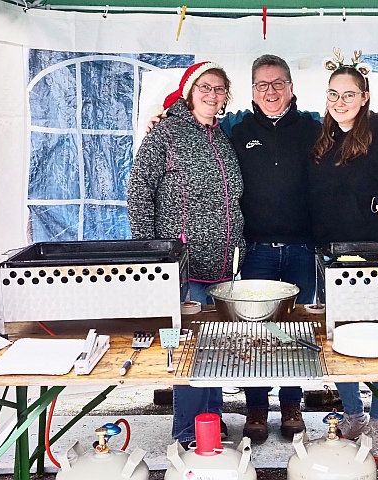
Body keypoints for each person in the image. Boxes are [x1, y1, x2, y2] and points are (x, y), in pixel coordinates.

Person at [147, 54, 378, 443]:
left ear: (291, 87)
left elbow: (355, 125)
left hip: (304, 249)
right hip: (256, 251)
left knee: (297, 336)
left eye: (277, 83)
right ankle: (256, 406)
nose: (270, 92)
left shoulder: (314, 128)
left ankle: (291, 405)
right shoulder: (235, 128)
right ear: (252, 90)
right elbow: (199, 120)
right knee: (255, 334)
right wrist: (164, 117)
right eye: (261, 85)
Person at [308, 50, 378, 457]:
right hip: (330, 255)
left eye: (349, 94)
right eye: (333, 94)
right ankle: (353, 413)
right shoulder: (318, 137)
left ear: (365, 96)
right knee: (338, 333)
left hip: (376, 252)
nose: (340, 102)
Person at [127, 61, 245, 447]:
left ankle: (212, 420)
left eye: (219, 89)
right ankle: (187, 432)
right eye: (204, 87)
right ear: (189, 91)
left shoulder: (222, 134)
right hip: (183, 264)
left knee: (215, 348)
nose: (212, 94)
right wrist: (149, 252)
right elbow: (139, 189)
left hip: (223, 262)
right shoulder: (166, 132)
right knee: (191, 350)